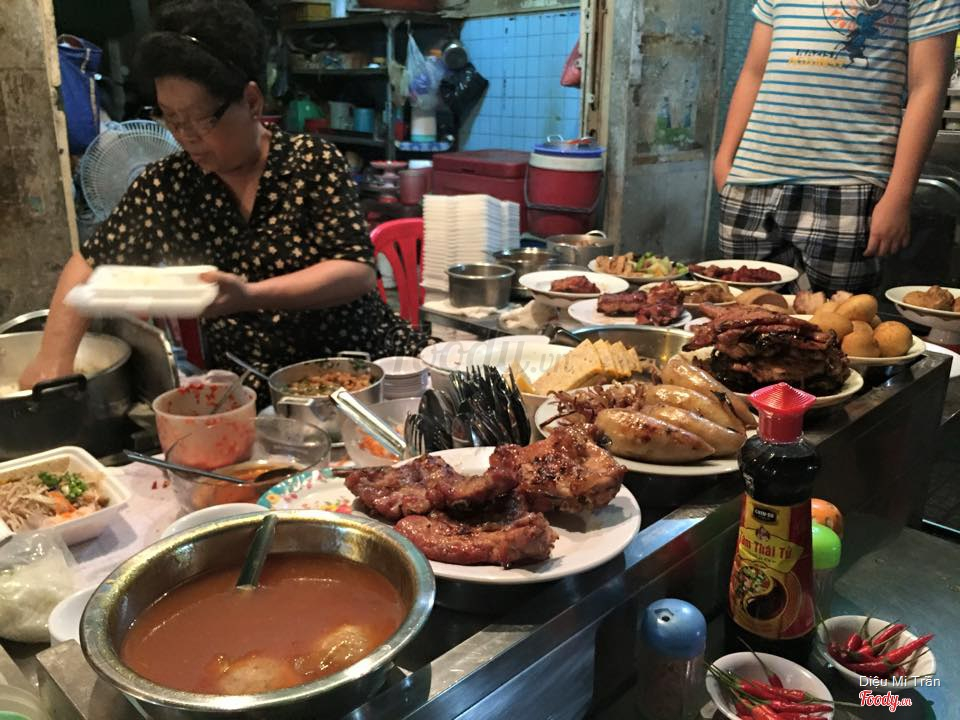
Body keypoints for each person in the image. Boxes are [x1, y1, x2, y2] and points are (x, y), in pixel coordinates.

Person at [20, 0, 429, 396]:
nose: (185, 137)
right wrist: (53, 363)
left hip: (364, 373)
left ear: (251, 101)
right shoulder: (169, 185)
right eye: (170, 118)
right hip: (258, 390)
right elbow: (88, 264)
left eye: (200, 120)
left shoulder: (311, 162)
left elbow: (355, 271)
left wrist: (249, 295)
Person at [714, 0, 959, 294]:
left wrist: (899, 196)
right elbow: (754, 72)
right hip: (751, 179)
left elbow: (928, 86)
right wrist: (724, 159)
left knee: (841, 318)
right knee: (741, 314)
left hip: (850, 184)